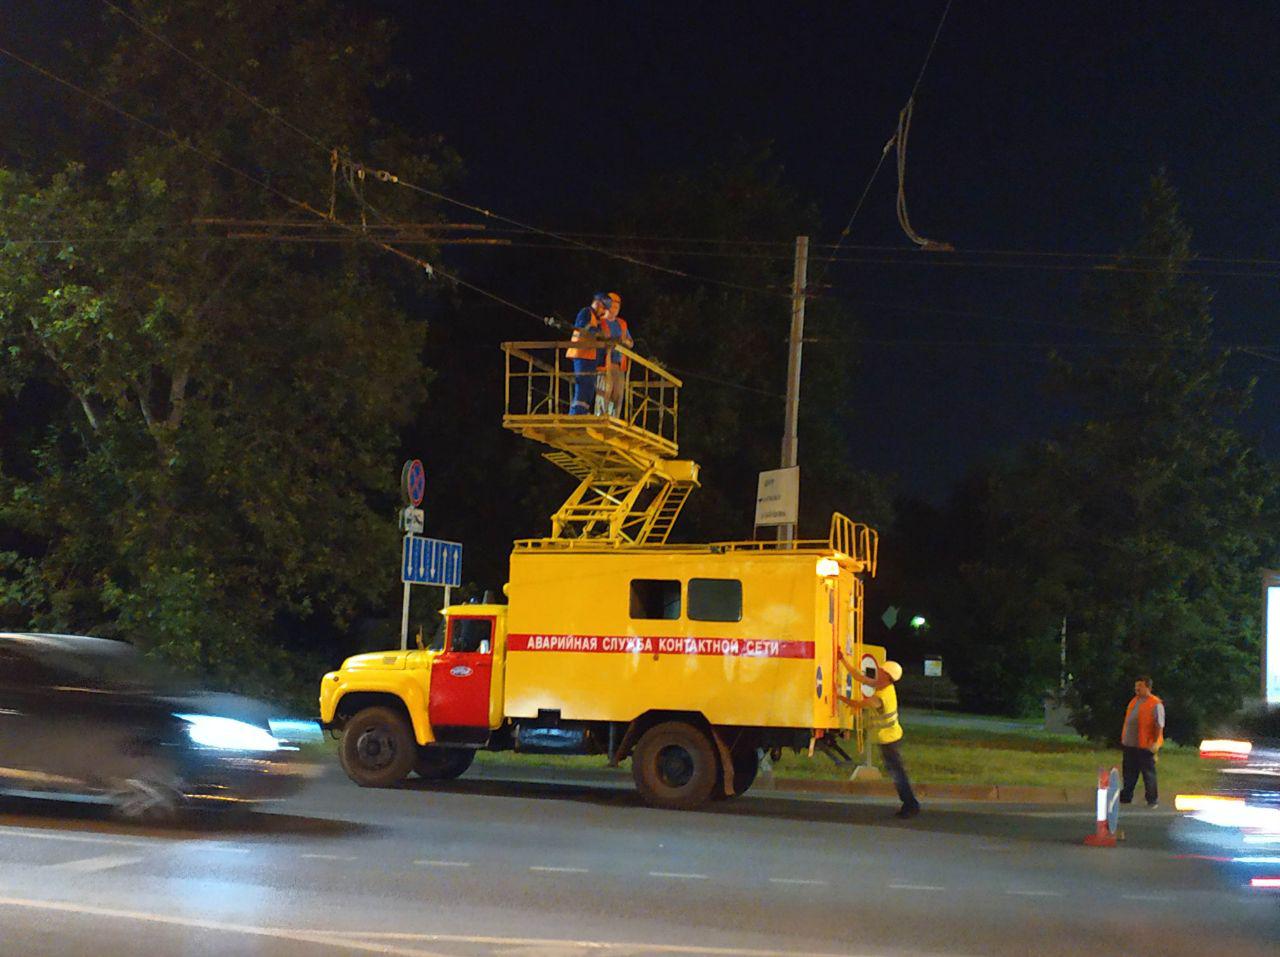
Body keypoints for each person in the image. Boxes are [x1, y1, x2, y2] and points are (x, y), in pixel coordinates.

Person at [839, 657, 920, 818]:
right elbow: (860, 677)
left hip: (889, 740)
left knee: (898, 773)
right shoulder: (884, 686)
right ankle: (910, 804)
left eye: (882, 671)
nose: (879, 671)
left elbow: (857, 704)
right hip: (890, 738)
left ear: (887, 675)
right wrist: (843, 661)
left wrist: (838, 696)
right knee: (897, 772)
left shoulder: (880, 697)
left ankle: (910, 805)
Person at [1119, 675, 1164, 808]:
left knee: (1148, 773)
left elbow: (1159, 725)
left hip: (1145, 745)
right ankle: (1126, 797)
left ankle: (1152, 799)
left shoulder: (1155, 704)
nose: (1137, 689)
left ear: (1148, 687)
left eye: (1140, 686)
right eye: (1136, 686)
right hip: (1130, 744)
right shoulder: (1134, 701)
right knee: (1128, 773)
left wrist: (1155, 743)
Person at [566, 293, 611, 415]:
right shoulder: (585, 312)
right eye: (603, 308)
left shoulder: (597, 320)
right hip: (582, 354)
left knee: (589, 387)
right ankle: (575, 414)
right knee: (582, 384)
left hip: (590, 357)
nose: (603, 312)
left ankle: (583, 412)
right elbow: (583, 328)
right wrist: (598, 332)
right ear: (598, 303)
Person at [595, 291, 633, 417]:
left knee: (617, 395)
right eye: (613, 306)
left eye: (618, 307)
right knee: (604, 392)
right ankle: (600, 418)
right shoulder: (600, 322)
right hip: (604, 364)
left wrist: (625, 342)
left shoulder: (621, 324)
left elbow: (631, 342)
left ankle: (613, 419)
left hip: (619, 365)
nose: (615, 309)